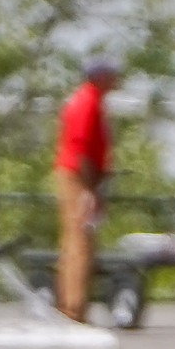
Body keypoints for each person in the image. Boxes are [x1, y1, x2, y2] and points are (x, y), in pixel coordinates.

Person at [53, 58, 118, 323]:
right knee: (78, 242)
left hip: (84, 178)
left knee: (81, 242)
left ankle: (75, 305)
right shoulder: (87, 102)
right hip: (78, 178)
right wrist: (91, 188)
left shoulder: (93, 102)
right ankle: (73, 308)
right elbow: (81, 149)